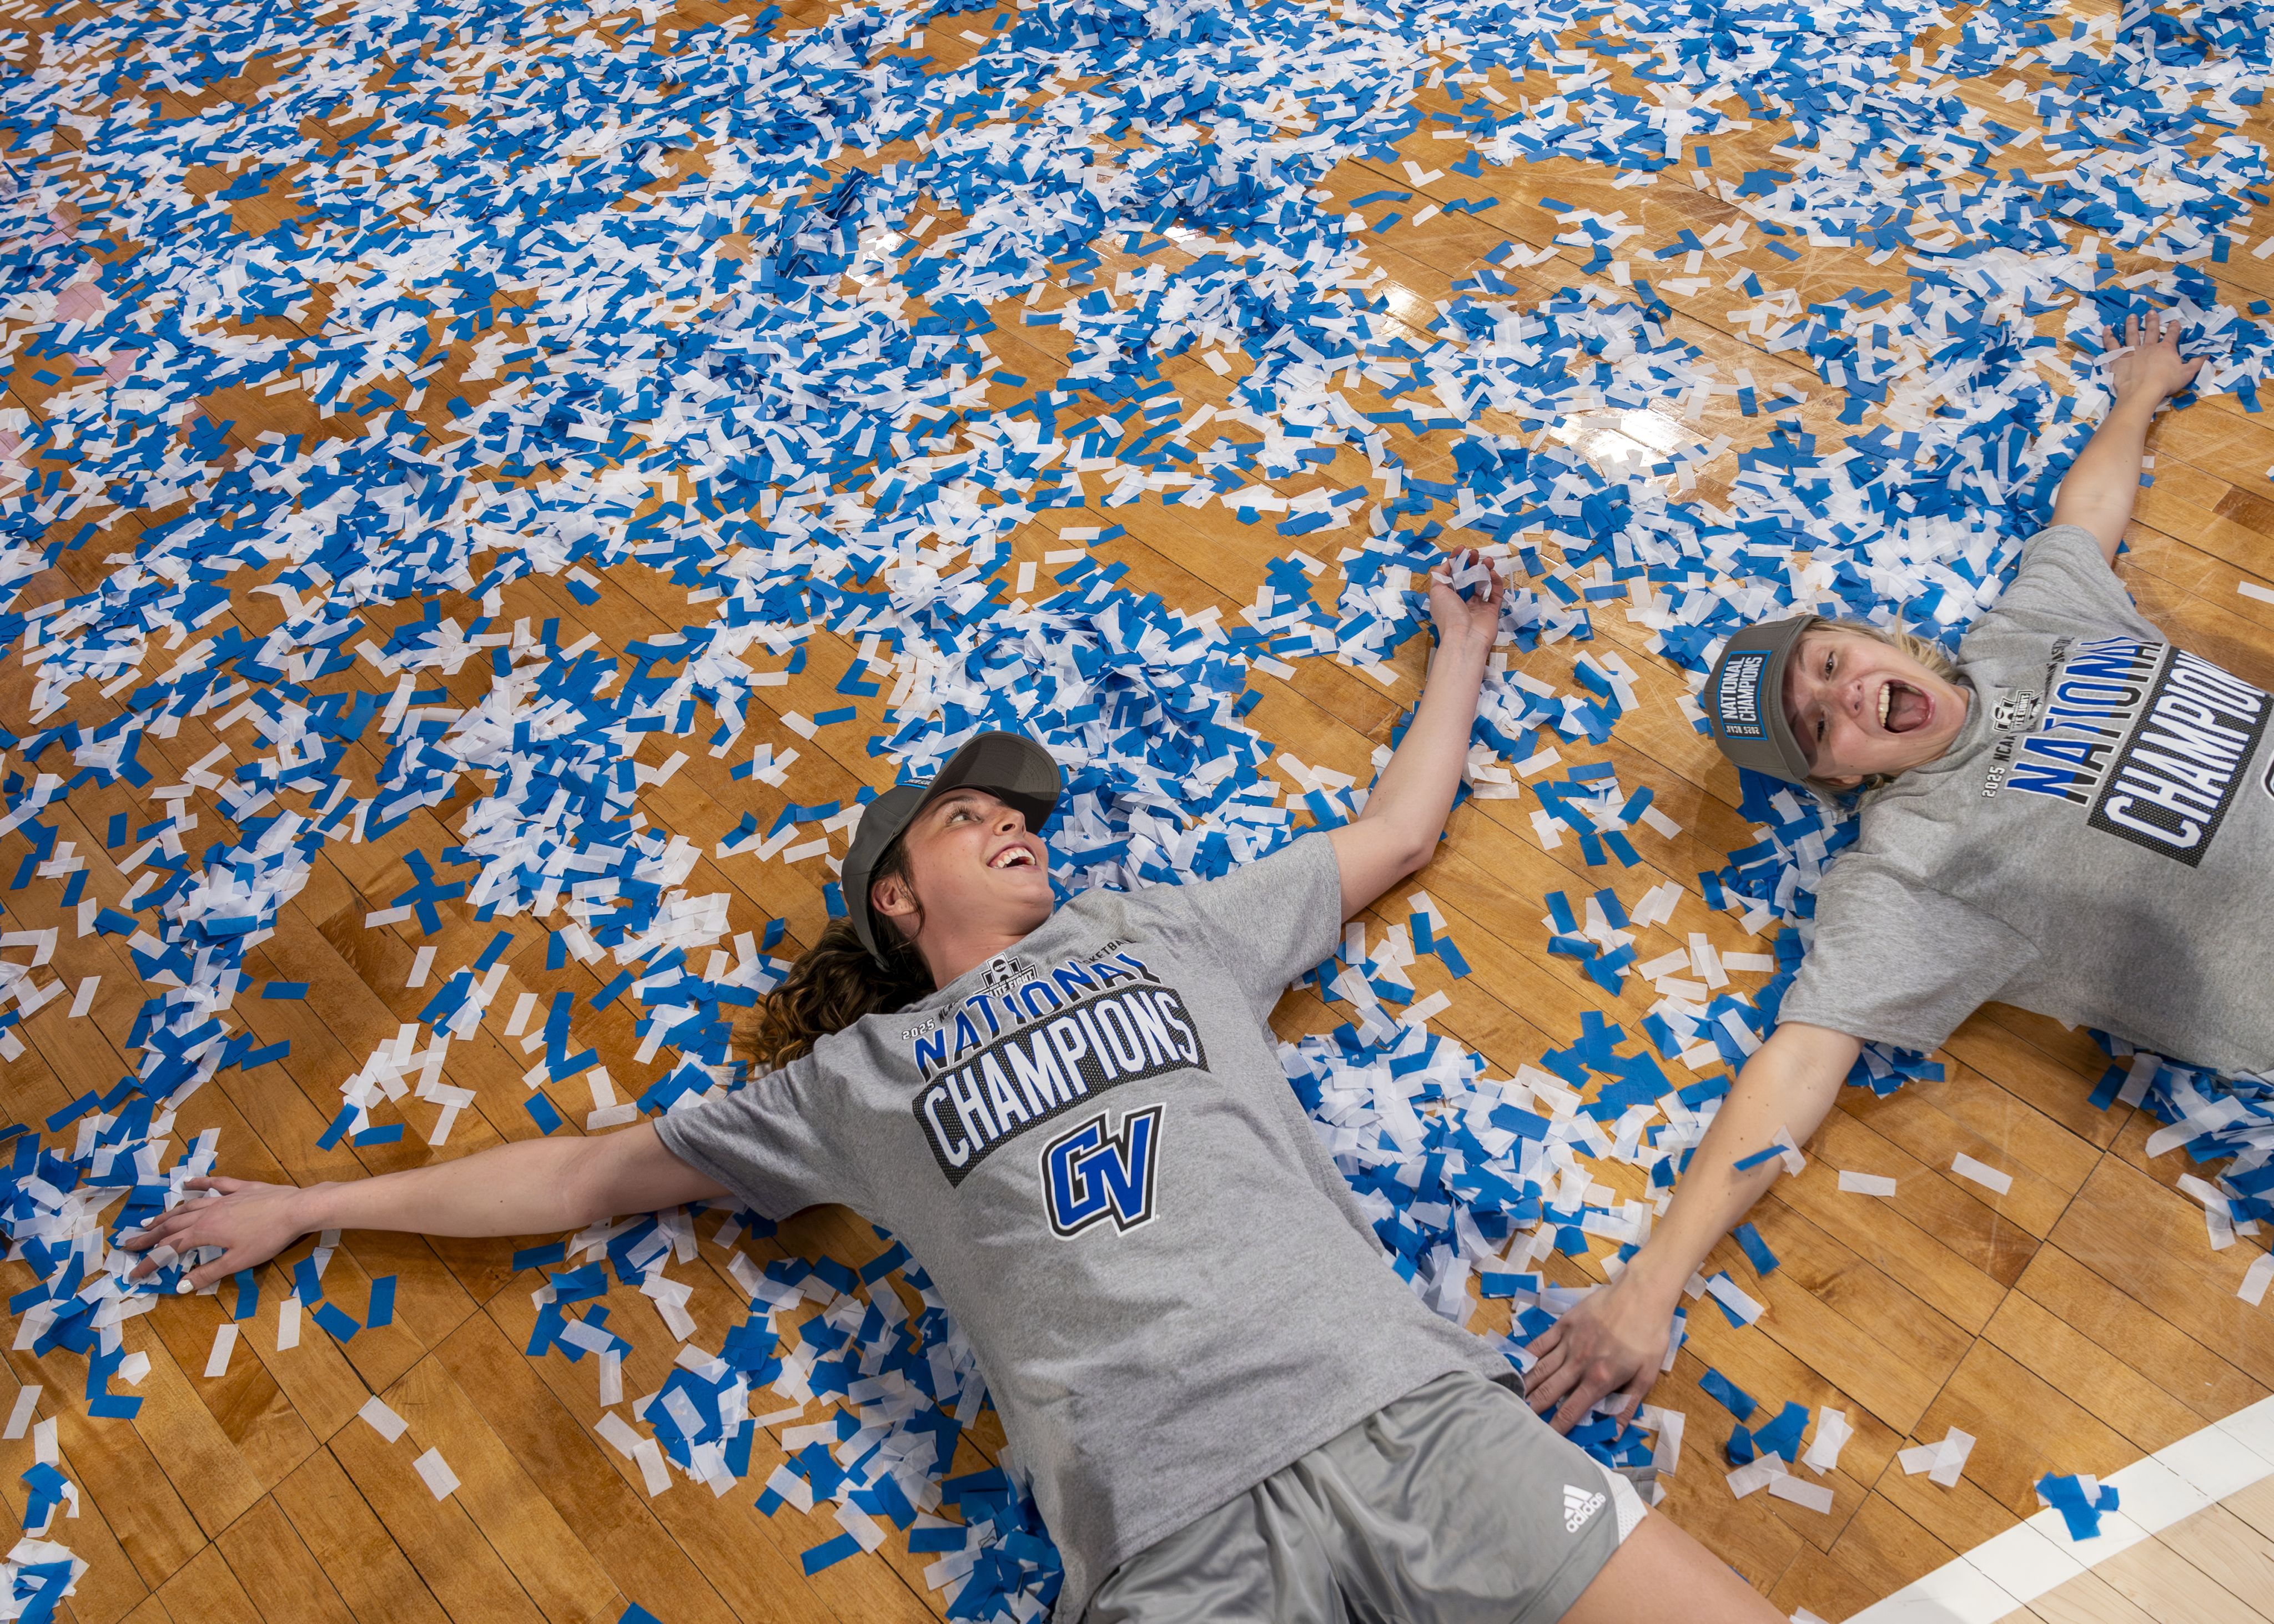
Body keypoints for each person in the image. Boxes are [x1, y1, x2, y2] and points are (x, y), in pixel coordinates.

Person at [120, 548, 1780, 1624]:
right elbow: (581, 1176)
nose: (1016, 818)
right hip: (1166, 1541)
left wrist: (1466, 643)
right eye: (966, 812)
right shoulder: (854, 1078)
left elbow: (1397, 834)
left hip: (1404, 1411)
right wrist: (315, 1201)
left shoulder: (1163, 928)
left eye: (1022, 807)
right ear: (896, 904)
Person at [1523, 311, 2273, 1435]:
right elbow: (1797, 1060)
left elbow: (2082, 517)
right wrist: (1648, 1281)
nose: (1838, 696)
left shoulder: (2030, 623)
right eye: (1817, 726)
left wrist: (2134, 398)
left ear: (1871, 638)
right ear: (1837, 779)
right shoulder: (1912, 864)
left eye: (1828, 664)